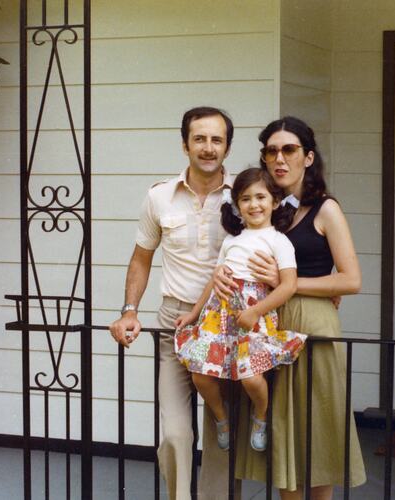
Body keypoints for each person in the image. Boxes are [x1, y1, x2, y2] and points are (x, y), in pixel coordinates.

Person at [216, 117, 367, 499]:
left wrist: (290, 283)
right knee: (282, 433)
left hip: (312, 325)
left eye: (290, 150)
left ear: (308, 157)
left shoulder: (325, 209)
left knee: (316, 432)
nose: (279, 158)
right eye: (271, 150)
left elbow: (351, 279)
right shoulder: (264, 209)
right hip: (269, 323)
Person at [109, 106, 236, 500]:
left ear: (227, 146)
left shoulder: (244, 196)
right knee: (176, 432)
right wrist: (129, 310)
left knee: (221, 432)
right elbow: (141, 258)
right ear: (185, 144)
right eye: (199, 138)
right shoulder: (159, 196)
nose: (208, 147)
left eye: (216, 139)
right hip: (174, 323)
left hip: (227, 324)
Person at [174, 167, 307, 453]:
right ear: (237, 206)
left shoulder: (278, 241)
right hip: (218, 317)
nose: (254, 204)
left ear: (274, 201)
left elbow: (288, 286)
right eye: (246, 199)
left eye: (261, 197)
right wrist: (194, 313)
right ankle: (221, 418)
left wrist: (256, 311)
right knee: (200, 373)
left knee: (250, 377)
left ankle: (260, 415)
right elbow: (215, 279)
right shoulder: (231, 240)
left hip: (253, 318)